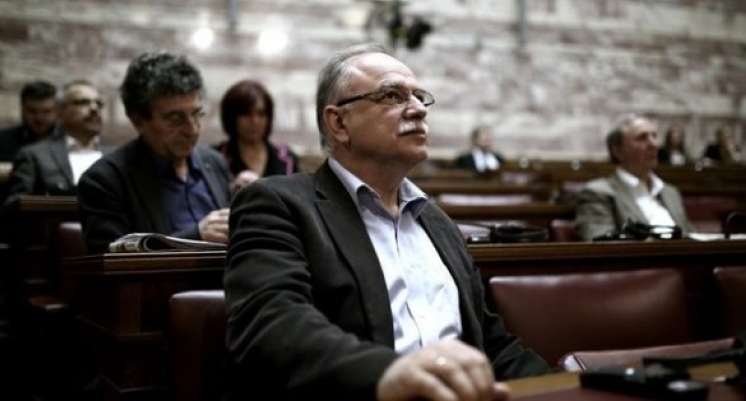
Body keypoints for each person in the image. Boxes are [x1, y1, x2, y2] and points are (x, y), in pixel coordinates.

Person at [224, 43, 551, 401]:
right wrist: (388, 373)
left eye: (419, 97)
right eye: (392, 95)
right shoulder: (279, 203)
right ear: (339, 122)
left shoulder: (437, 222)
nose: (417, 110)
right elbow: (272, 322)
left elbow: (491, 343)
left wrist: (571, 386)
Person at [78, 51, 232, 254]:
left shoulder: (214, 162)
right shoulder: (105, 180)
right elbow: (109, 262)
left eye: (196, 114)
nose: (192, 129)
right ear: (138, 120)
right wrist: (195, 237)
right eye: (175, 119)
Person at [575, 114, 694, 241]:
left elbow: (689, 237)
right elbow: (601, 244)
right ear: (618, 151)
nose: (653, 144)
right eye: (642, 138)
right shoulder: (598, 192)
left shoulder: (670, 192)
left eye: (654, 136)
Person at [4, 80, 110, 205]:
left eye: (99, 103)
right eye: (82, 102)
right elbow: (14, 205)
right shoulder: (34, 156)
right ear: (59, 112)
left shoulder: (117, 157)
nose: (94, 108)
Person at [213, 79, 300, 192]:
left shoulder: (286, 158)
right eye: (246, 114)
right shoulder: (215, 158)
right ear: (232, 117)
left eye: (261, 114)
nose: (254, 121)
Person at [0, 80, 60, 162]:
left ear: (57, 111)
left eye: (46, 111)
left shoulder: (69, 141)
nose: (39, 118)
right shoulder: (3, 141)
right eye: (32, 111)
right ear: (22, 110)